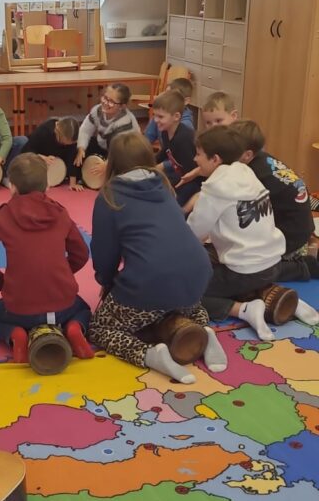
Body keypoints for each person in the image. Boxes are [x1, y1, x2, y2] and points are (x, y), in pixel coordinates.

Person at [88, 131, 224, 384]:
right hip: (197, 274)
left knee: (100, 327)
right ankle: (204, 331)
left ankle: (150, 355)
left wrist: (107, 282)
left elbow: (104, 253)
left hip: (150, 282)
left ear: (113, 161)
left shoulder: (109, 196)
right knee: (180, 302)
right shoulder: (163, 185)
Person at [187, 126, 319, 340]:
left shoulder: (215, 187)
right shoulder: (245, 171)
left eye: (199, 154)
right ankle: (278, 297)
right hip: (273, 264)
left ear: (215, 159)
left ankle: (243, 310)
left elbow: (193, 234)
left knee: (185, 289)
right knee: (215, 261)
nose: (195, 159)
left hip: (246, 270)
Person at [0, 153, 93, 362]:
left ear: (12, 187)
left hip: (20, 309)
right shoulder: (61, 213)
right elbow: (81, 254)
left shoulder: (3, 216)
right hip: (63, 307)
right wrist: (62, 274)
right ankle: (75, 327)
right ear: (47, 186)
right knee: (84, 309)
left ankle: (14, 335)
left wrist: (4, 285)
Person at [230, 120, 317, 280]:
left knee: (250, 270)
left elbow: (243, 214)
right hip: (301, 226)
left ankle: (303, 267)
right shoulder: (262, 158)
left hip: (293, 239)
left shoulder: (253, 174)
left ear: (247, 154)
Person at [74, 84, 139, 186]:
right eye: (105, 98)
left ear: (122, 106)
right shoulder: (97, 110)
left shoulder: (125, 121)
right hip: (106, 147)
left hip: (124, 153)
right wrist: (81, 148)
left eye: (111, 101)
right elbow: (85, 130)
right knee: (79, 146)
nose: (105, 103)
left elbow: (119, 149)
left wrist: (107, 164)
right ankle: (79, 176)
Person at [153, 90, 201, 206]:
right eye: (155, 115)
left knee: (172, 204)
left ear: (176, 117)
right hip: (181, 175)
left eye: (160, 116)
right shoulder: (165, 131)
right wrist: (149, 163)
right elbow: (165, 151)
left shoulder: (184, 139)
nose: (155, 120)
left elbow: (192, 171)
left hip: (194, 181)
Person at [23, 116, 82, 189]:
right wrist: (42, 158)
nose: (66, 145)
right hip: (39, 160)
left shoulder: (71, 140)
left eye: (68, 144)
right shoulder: (44, 131)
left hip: (57, 165)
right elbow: (26, 150)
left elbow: (72, 157)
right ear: (57, 131)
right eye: (63, 142)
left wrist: (73, 183)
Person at [144, 76, 196, 144]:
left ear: (186, 101)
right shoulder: (158, 116)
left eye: (172, 97)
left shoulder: (186, 126)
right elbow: (147, 139)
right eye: (166, 94)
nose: (166, 99)